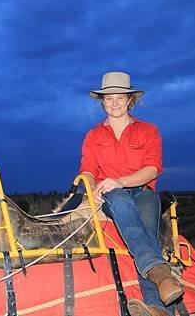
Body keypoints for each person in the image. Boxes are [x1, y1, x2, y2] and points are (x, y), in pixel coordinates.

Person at [79, 72, 184, 316]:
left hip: (143, 191)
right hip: (112, 195)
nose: (114, 103)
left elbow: (151, 169)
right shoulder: (93, 136)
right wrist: (93, 186)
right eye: (109, 99)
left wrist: (120, 180)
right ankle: (161, 274)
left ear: (129, 100)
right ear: (102, 102)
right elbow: (87, 171)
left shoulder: (148, 131)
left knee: (147, 229)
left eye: (120, 98)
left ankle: (159, 308)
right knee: (121, 200)